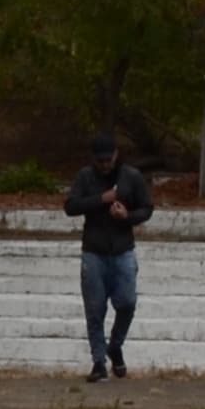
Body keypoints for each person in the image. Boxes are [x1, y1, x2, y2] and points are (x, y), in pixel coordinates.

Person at [61, 131, 153, 378]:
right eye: (100, 161)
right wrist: (101, 199)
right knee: (94, 309)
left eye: (108, 160)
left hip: (123, 250)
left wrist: (128, 216)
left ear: (116, 155)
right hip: (94, 251)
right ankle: (99, 362)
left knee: (127, 302)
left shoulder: (131, 177)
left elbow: (147, 208)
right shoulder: (85, 177)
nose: (104, 165)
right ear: (94, 158)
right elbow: (70, 206)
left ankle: (115, 345)